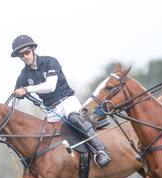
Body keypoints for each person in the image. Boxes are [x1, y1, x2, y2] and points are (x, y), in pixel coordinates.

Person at [11, 35, 111, 167]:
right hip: (51, 110)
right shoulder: (24, 75)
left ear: (33, 50)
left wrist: (27, 89)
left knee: (74, 119)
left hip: (67, 101)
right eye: (21, 55)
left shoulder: (50, 62)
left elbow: (50, 86)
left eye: (27, 52)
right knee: (45, 135)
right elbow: (15, 99)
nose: (25, 57)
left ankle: (101, 151)